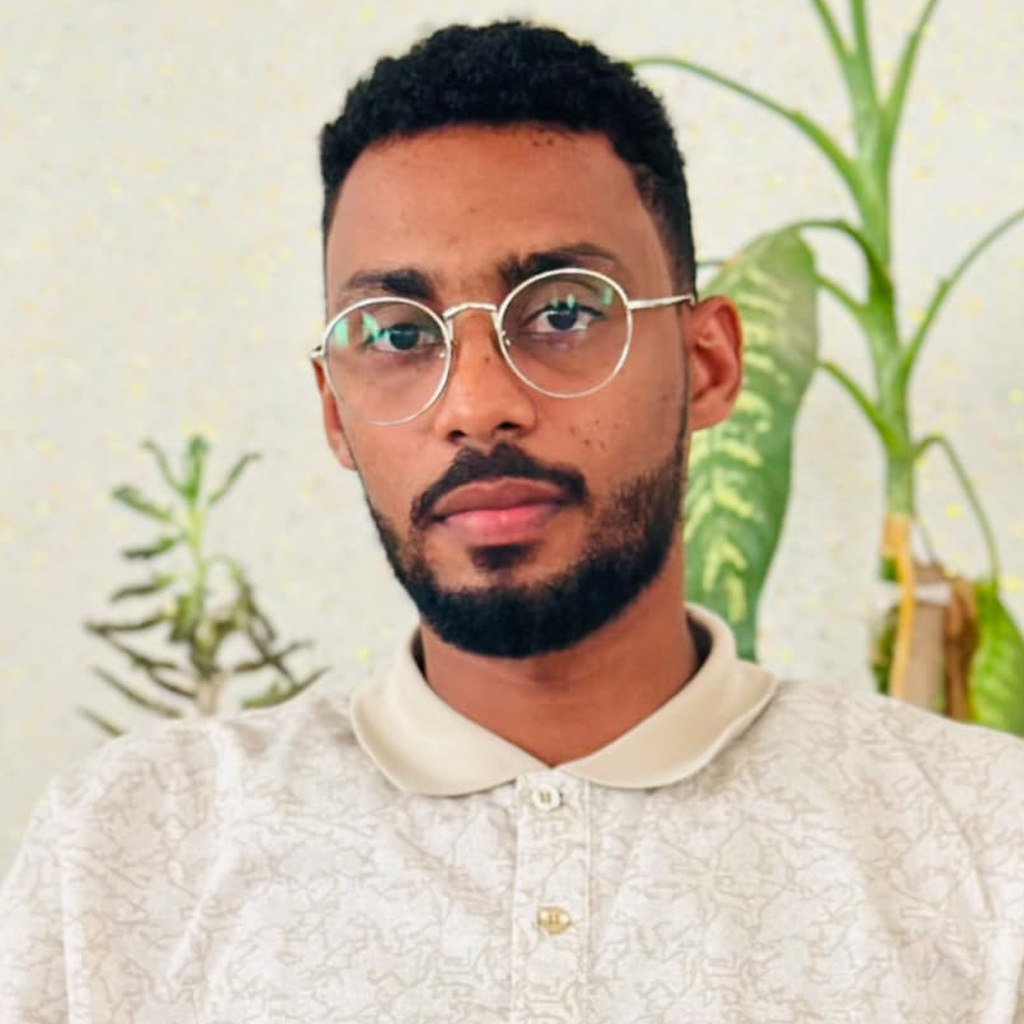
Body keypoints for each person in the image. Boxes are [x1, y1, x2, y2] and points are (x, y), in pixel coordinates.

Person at [2, 20, 1023, 1023]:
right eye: (396, 334)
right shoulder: (128, 851)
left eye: (563, 312)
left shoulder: (983, 847)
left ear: (707, 365)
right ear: (335, 413)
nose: (476, 403)